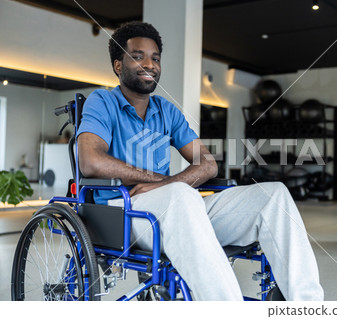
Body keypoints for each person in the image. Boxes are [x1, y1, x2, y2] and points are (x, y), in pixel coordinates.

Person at [77, 21, 323, 301]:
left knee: (274, 194)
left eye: (155, 57)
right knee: (181, 195)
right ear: (118, 65)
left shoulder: (166, 110)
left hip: (178, 205)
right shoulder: (101, 101)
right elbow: (91, 161)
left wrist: (165, 184)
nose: (150, 63)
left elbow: (207, 164)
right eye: (138, 56)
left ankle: (307, 306)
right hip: (123, 211)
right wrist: (166, 186)